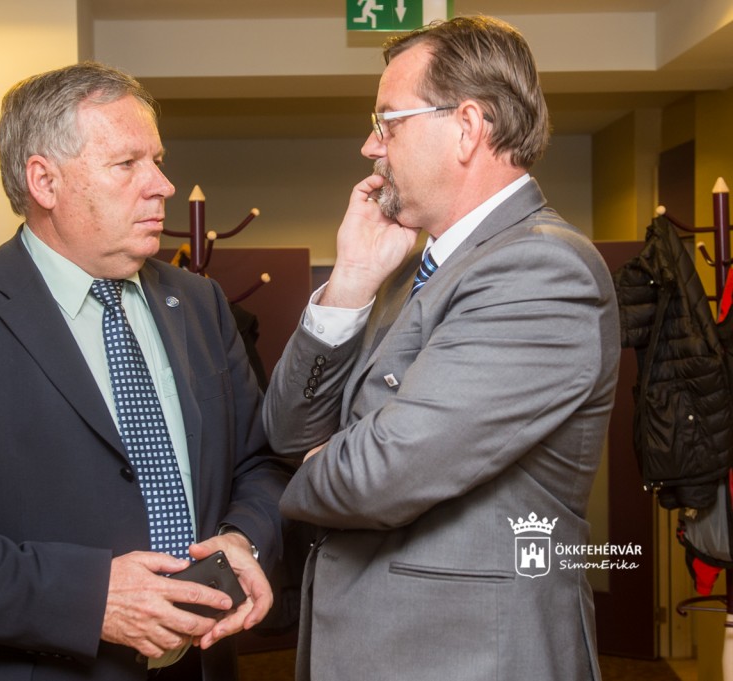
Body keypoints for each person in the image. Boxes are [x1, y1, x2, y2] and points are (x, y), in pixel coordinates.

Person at [0, 61, 290, 681]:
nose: (162, 185)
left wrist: (244, 539)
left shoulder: (198, 303)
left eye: (157, 160)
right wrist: (89, 599)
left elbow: (259, 463)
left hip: (200, 664)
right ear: (45, 181)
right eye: (127, 163)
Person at [263, 16, 620, 681]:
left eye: (388, 121)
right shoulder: (410, 270)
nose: (370, 144)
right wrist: (351, 281)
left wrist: (304, 467)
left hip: (468, 657)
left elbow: (379, 476)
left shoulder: (542, 270)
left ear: (467, 126)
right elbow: (286, 429)